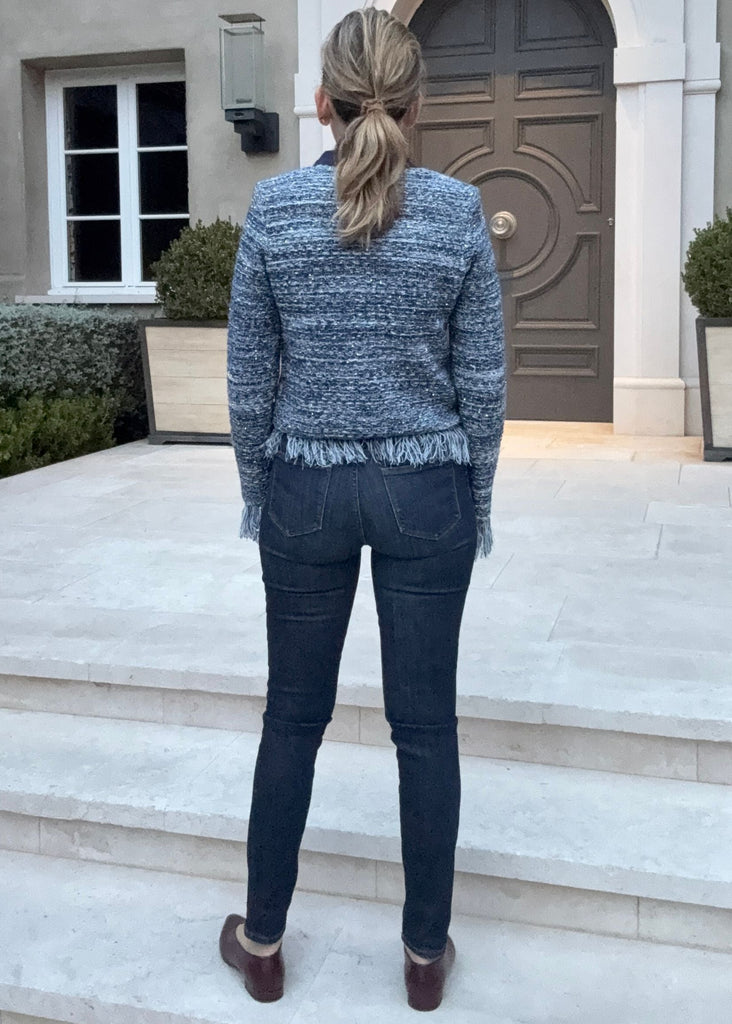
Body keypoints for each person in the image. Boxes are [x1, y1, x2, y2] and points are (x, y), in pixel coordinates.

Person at [219, 5, 506, 1012]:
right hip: (429, 490)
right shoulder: (459, 212)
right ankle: (425, 957)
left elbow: (250, 382)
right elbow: (484, 383)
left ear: (320, 102)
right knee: (426, 728)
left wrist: (265, 494)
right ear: (417, 104)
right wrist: (472, 499)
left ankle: (260, 940)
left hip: (306, 485)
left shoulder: (274, 213)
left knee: (291, 717)